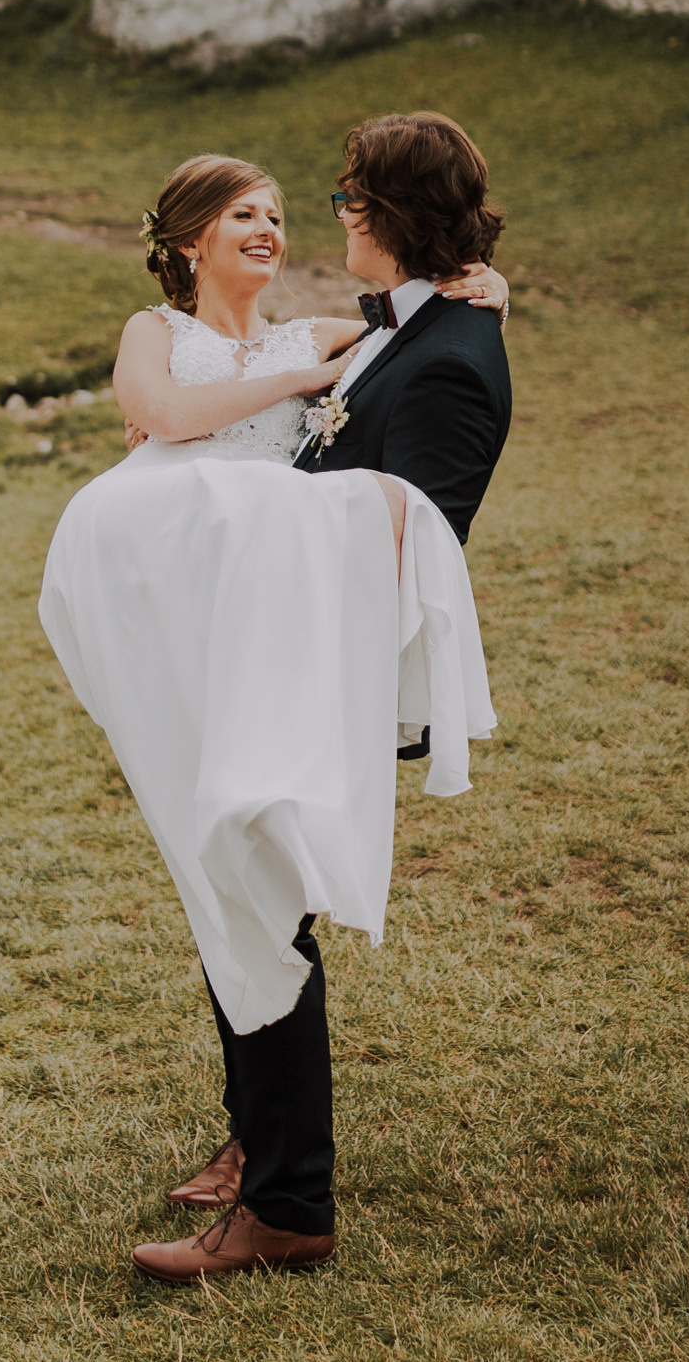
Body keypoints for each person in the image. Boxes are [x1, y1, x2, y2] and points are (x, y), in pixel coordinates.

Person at [36, 129, 510, 1283]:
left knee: (247, 877)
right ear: (188, 239)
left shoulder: (416, 342)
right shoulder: (192, 333)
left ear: (384, 214)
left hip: (285, 639)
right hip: (212, 622)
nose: (291, 224)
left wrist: (478, 292)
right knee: (231, 874)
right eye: (244, 213)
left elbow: (418, 516)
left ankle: (288, 1200)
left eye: (319, 203)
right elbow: (165, 408)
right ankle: (266, 1149)